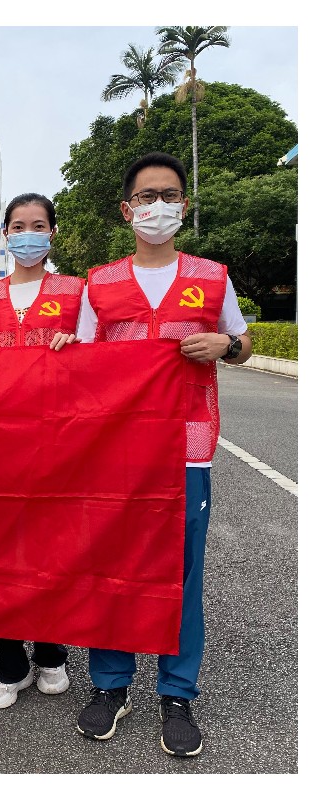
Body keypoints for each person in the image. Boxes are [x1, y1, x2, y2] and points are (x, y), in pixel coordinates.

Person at [71, 152, 249, 758]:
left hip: (187, 445)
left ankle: (177, 690)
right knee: (113, 565)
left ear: (184, 205)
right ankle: (111, 683)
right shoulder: (99, 283)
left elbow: (244, 342)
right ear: (128, 210)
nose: (158, 206)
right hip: (117, 451)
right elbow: (79, 366)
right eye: (147, 197)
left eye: (169, 195)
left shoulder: (212, 276)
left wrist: (226, 344)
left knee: (182, 570)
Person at [0, 193, 80, 708]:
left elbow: (100, 358)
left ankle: (51, 653)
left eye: (39, 225)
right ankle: (9, 662)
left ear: (52, 234)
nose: (28, 234)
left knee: (51, 549)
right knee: (0, 552)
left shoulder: (76, 292)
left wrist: (77, 351)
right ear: (5, 234)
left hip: (58, 444)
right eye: (18, 225)